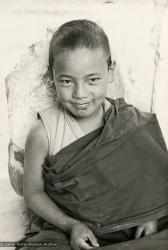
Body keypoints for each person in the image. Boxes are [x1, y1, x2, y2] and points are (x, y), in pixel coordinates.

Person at [20, 19, 168, 250]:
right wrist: (70, 225)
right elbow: (33, 192)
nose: (80, 94)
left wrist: (152, 214)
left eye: (92, 80)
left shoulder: (129, 121)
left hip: (134, 226)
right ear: (52, 76)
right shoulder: (43, 133)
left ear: (110, 71)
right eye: (67, 81)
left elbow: (152, 181)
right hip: (73, 229)